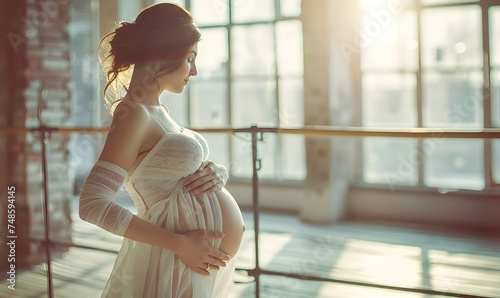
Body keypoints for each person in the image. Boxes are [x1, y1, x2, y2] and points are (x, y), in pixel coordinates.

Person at [78, 3, 246, 297]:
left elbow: (170, 174)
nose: (193, 71)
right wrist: (179, 244)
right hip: (172, 261)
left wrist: (216, 172)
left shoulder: (159, 110)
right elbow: (92, 204)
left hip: (190, 263)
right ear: (164, 53)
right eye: (189, 58)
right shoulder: (133, 112)